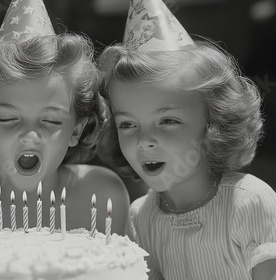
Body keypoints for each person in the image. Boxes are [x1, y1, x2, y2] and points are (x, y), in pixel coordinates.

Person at [98, 0, 276, 279]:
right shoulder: (140, 218)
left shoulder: (250, 203)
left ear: (215, 123)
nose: (144, 140)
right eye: (128, 124)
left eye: (168, 121)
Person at [0, 0, 129, 235]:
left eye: (52, 121)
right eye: (6, 119)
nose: (29, 136)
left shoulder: (103, 195)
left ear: (76, 130)